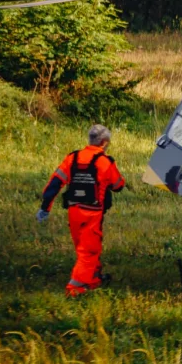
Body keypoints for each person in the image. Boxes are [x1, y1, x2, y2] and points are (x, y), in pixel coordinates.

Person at [37, 124, 126, 297]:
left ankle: (93, 279)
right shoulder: (105, 162)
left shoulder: (73, 158)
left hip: (74, 211)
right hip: (92, 213)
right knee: (89, 251)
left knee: (83, 248)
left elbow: (55, 183)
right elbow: (118, 185)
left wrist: (45, 208)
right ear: (104, 142)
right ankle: (74, 288)